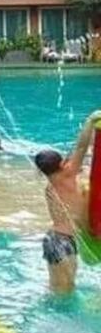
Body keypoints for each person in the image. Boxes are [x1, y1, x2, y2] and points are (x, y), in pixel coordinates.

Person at [34, 111, 101, 294]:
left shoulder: (51, 186)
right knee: (64, 291)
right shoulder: (67, 174)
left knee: (61, 289)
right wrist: (91, 120)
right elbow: (81, 147)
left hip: (57, 239)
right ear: (63, 164)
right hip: (61, 241)